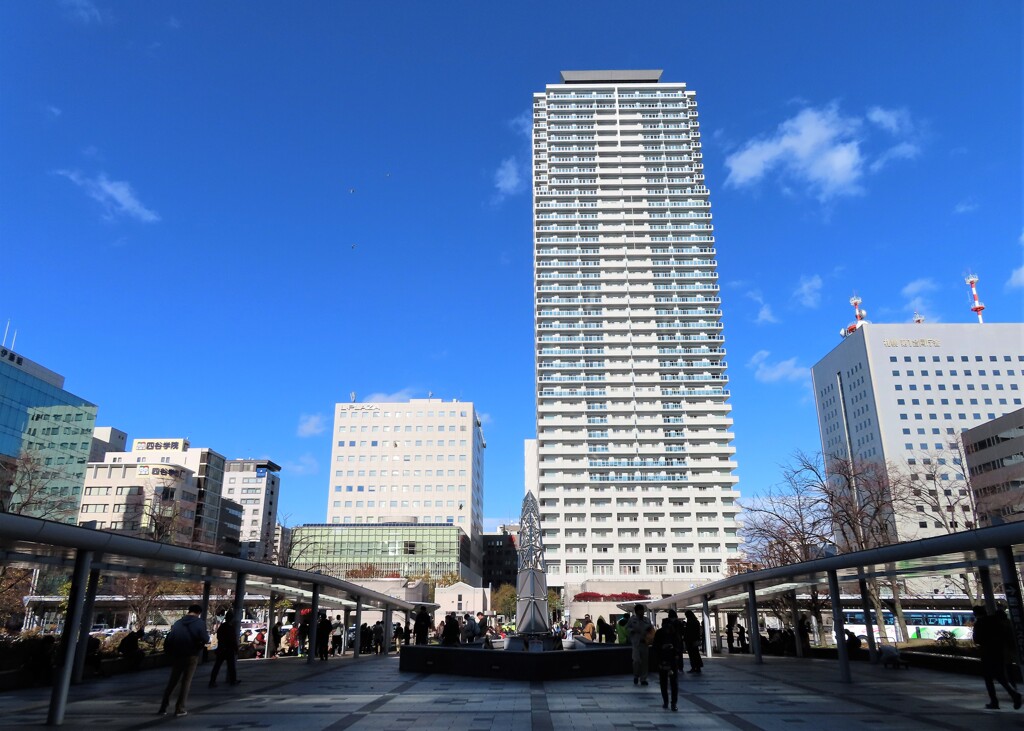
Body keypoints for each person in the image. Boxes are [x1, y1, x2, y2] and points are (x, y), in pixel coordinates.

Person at [160, 604, 210, 717]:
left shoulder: (178, 623)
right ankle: (180, 708)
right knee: (186, 682)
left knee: (173, 680)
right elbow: (206, 639)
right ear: (199, 613)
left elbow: (171, 638)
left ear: (189, 611)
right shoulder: (200, 623)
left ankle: (163, 706)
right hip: (191, 655)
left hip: (177, 654)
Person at [972, 605, 1023, 710]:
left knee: (988, 679)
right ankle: (1013, 694)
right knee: (1000, 677)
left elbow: (977, 639)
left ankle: (995, 701)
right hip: (999, 652)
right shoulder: (995, 622)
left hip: (987, 653)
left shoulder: (979, 624)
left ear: (976, 614)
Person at [653, 616, 681, 711]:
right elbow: (655, 646)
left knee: (670, 683)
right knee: (667, 683)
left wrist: (673, 649)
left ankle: (672, 703)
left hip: (671, 660)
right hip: (663, 659)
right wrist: (663, 647)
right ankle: (668, 702)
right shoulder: (661, 633)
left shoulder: (674, 633)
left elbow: (678, 647)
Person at [209, 611, 239, 688]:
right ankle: (233, 680)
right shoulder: (230, 628)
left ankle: (212, 681)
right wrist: (236, 649)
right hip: (228, 649)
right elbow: (233, 639)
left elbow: (219, 637)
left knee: (217, 666)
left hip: (221, 649)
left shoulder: (222, 627)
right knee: (231, 666)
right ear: (232, 619)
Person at [626, 604, 654, 686]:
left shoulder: (647, 620)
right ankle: (636, 675)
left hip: (645, 643)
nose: (641, 612)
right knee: (636, 661)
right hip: (636, 643)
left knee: (645, 662)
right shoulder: (632, 619)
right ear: (636, 611)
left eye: (642, 610)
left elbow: (651, 629)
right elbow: (627, 628)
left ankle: (643, 679)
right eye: (639, 610)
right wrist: (632, 630)